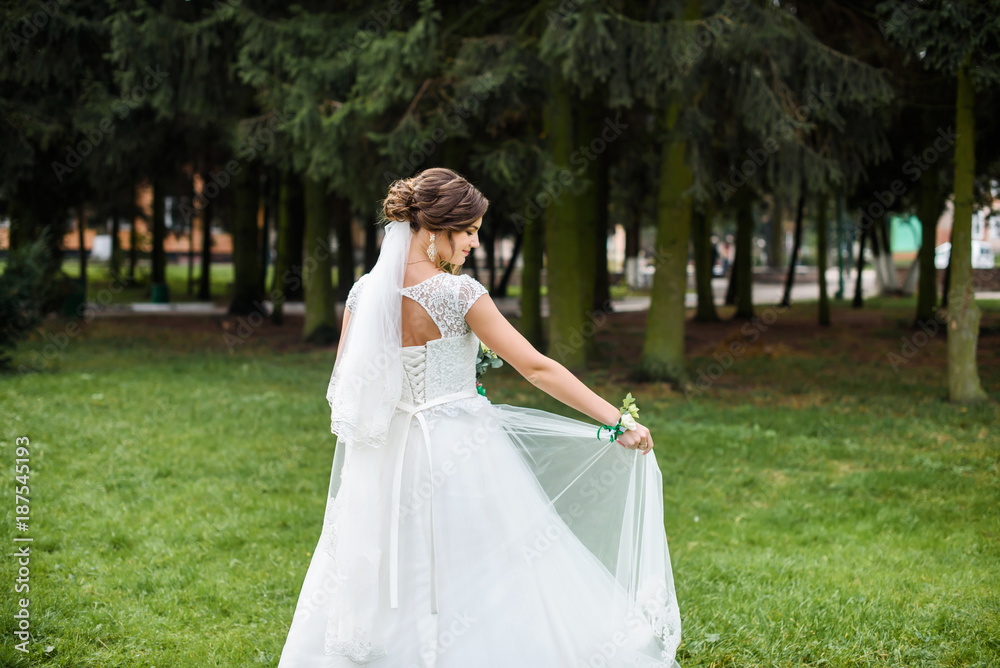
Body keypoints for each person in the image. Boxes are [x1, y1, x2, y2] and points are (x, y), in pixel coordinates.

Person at [277, 167, 681, 667]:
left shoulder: (364, 294)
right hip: (457, 448)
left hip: (385, 455)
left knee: (384, 564)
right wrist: (617, 419)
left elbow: (344, 387)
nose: (473, 242)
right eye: (467, 231)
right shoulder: (459, 294)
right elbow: (535, 367)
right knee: (487, 566)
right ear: (433, 230)